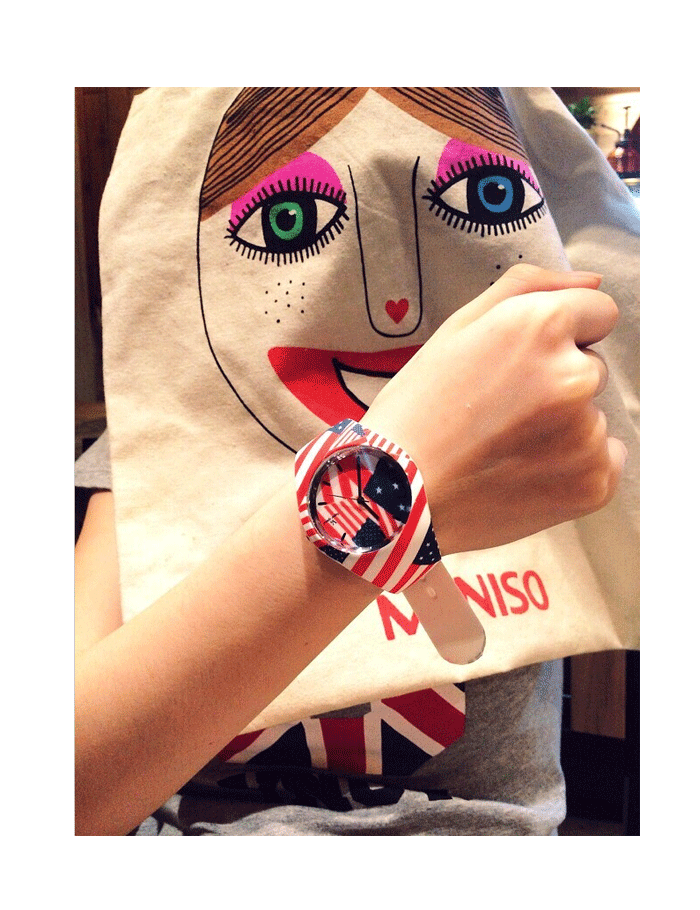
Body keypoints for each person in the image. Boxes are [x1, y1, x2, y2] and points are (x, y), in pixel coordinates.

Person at [75, 87, 639, 836]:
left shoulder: (547, 411)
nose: (391, 306)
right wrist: (387, 493)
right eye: (288, 220)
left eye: (489, 196)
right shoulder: (164, 439)